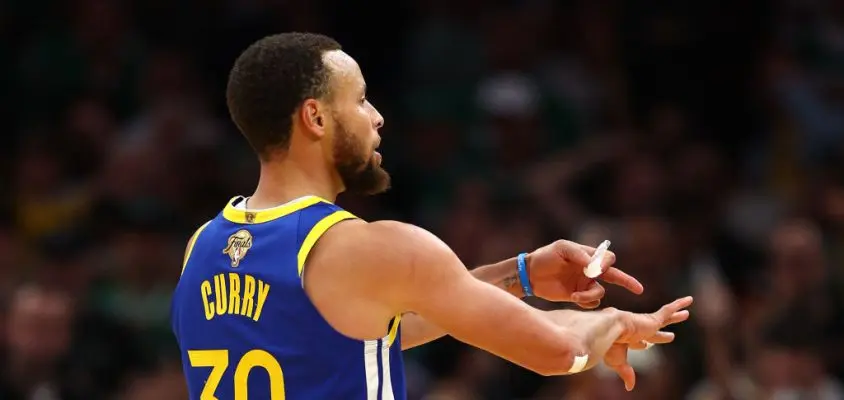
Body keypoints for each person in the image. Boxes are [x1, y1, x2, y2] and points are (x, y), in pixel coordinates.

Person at [170, 32, 693, 400]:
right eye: (361, 100)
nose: (377, 118)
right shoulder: (373, 248)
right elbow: (558, 354)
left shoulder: (203, 246)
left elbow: (367, 331)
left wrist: (521, 274)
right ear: (316, 117)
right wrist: (615, 321)